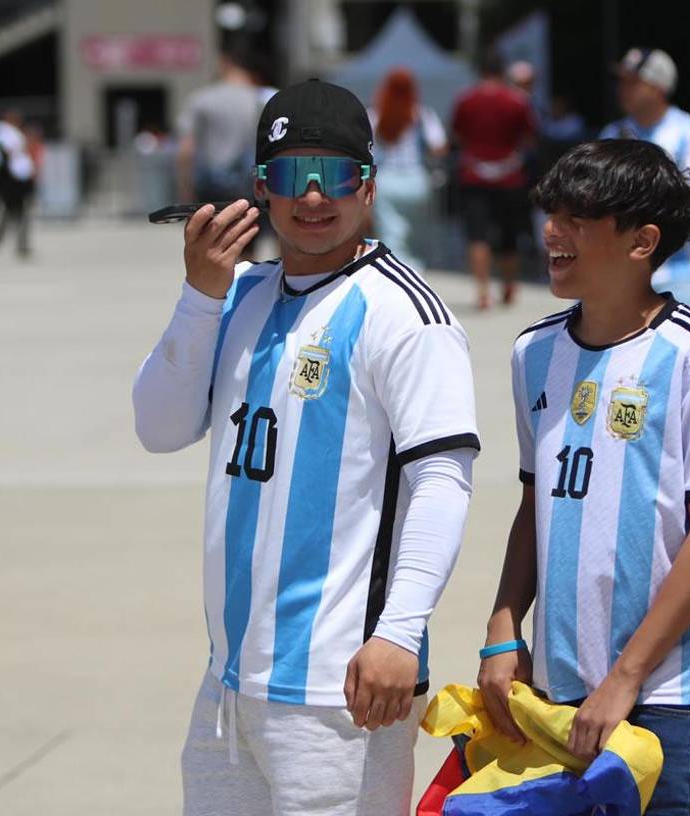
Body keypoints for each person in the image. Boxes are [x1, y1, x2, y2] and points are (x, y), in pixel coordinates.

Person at [132, 79, 480, 814]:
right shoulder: (239, 295)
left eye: (337, 174)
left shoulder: (405, 313)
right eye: (293, 174)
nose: (315, 196)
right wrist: (199, 294)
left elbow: (443, 482)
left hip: (342, 686)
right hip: (230, 682)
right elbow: (157, 427)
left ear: (370, 185)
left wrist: (399, 632)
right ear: (260, 188)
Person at [478, 139, 690, 816]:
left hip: (659, 692)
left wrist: (626, 677)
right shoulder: (534, 352)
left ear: (642, 241)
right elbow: (534, 503)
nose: (552, 232)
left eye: (577, 217)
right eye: (552, 213)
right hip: (556, 686)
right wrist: (504, 630)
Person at [601, 48, 690, 313]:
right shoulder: (612, 133)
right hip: (615, 273)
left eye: (632, 82)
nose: (623, 89)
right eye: (621, 81)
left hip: (676, 273)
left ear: (658, 87)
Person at [451, 49, 537, 309]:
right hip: (509, 175)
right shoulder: (517, 101)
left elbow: (457, 136)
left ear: (479, 70)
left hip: (474, 174)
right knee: (509, 234)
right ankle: (509, 285)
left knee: (477, 235)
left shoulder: (466, 100)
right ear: (502, 70)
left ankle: (483, 292)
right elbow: (530, 138)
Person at [367, 68, 448, 271]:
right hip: (416, 180)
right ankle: (415, 268)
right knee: (415, 233)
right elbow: (439, 147)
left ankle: (397, 268)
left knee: (391, 232)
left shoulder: (375, 115)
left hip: (385, 181)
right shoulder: (422, 114)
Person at [176, 44, 262, 205]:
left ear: (224, 63)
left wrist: (185, 189)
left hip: (210, 185)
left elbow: (186, 149)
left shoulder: (202, 98)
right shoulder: (262, 100)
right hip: (250, 185)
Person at [0, 109, 35, 258]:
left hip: (19, 180)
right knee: (9, 214)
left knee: (17, 214)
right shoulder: (1, 132)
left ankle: (18, 244)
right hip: (10, 180)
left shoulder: (15, 134)